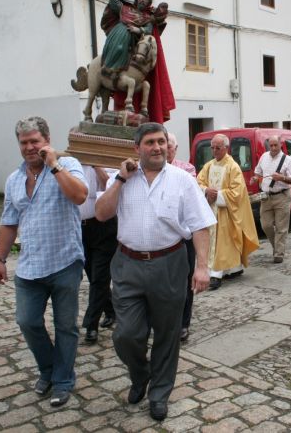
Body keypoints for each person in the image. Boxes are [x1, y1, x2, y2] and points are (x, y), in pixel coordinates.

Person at [95, 123, 215, 422]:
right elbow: (101, 213)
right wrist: (121, 179)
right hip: (128, 264)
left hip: (170, 263)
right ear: (137, 147)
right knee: (126, 335)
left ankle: (159, 393)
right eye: (150, 142)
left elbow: (199, 224)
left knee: (167, 333)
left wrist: (202, 266)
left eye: (161, 141)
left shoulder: (182, 180)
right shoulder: (121, 177)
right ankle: (141, 374)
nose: (157, 147)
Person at [0, 116, 89, 408]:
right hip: (30, 266)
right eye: (24, 142)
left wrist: (54, 164)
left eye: (35, 141)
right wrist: (0, 258)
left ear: (47, 140)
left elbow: (80, 196)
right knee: (27, 321)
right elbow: (9, 222)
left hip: (64, 261)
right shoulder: (14, 180)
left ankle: (62, 381)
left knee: (65, 326)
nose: (30, 147)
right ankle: (49, 370)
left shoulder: (68, 165)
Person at [100, 0, 174, 123]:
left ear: (148, 1)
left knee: (127, 52)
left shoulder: (148, 18)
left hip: (134, 44)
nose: (142, 0)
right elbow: (115, 5)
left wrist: (137, 30)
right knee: (119, 48)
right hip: (117, 38)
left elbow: (148, 31)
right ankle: (109, 73)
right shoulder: (126, 9)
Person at [198, 134, 259, 290]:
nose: (215, 151)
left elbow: (237, 192)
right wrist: (205, 191)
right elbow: (198, 182)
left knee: (223, 242)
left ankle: (216, 274)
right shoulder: (209, 166)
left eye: (218, 148)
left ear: (226, 148)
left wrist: (217, 195)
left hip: (226, 211)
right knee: (217, 242)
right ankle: (234, 268)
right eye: (212, 147)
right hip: (210, 210)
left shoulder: (233, 167)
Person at [80, 165, 117, 345]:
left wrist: (96, 165)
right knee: (92, 274)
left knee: (100, 277)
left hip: (104, 227)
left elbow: (108, 186)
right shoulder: (70, 165)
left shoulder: (104, 163)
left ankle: (91, 325)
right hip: (80, 228)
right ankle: (111, 309)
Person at [166, 133, 197, 341]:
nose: (164, 150)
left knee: (185, 281)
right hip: (162, 236)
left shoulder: (186, 169)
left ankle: (184, 323)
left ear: (175, 149)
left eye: (168, 146)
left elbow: (189, 196)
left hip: (184, 235)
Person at [251, 136, 291, 263]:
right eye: (270, 146)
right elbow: (258, 172)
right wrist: (255, 178)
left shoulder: (288, 160)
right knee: (265, 225)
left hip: (282, 195)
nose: (273, 148)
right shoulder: (264, 157)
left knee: (281, 227)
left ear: (280, 145)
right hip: (266, 196)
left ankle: (279, 254)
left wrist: (282, 178)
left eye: (275, 145)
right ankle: (277, 247)